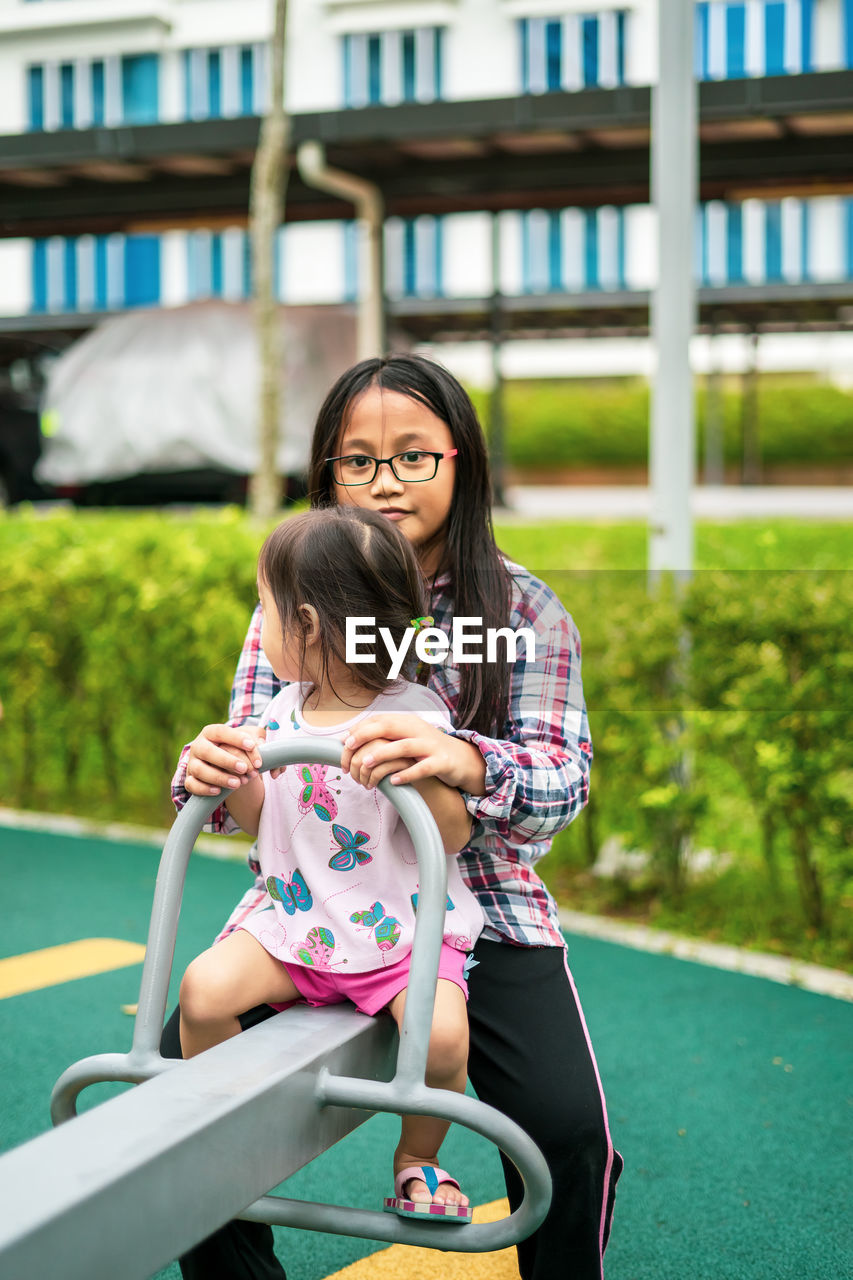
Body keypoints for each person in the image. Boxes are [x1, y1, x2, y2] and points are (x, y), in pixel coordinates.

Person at [165, 353, 622, 1280]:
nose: (383, 482)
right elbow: (260, 782)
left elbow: (563, 783)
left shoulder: (520, 610)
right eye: (356, 460)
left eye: (413, 456)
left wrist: (467, 757)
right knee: (176, 1082)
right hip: (311, 899)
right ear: (326, 473)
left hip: (471, 908)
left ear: (462, 464)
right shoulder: (284, 610)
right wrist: (212, 771)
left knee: (569, 1128)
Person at [179, 505, 483, 1225]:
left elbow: (452, 836)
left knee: (441, 1038)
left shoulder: (417, 717)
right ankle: (225, 1126)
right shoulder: (277, 715)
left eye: (266, 608)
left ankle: (418, 1156)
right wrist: (237, 776)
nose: (261, 623)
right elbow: (265, 822)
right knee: (203, 992)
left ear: (307, 625)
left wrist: (418, 774)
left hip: (397, 928)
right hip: (297, 918)